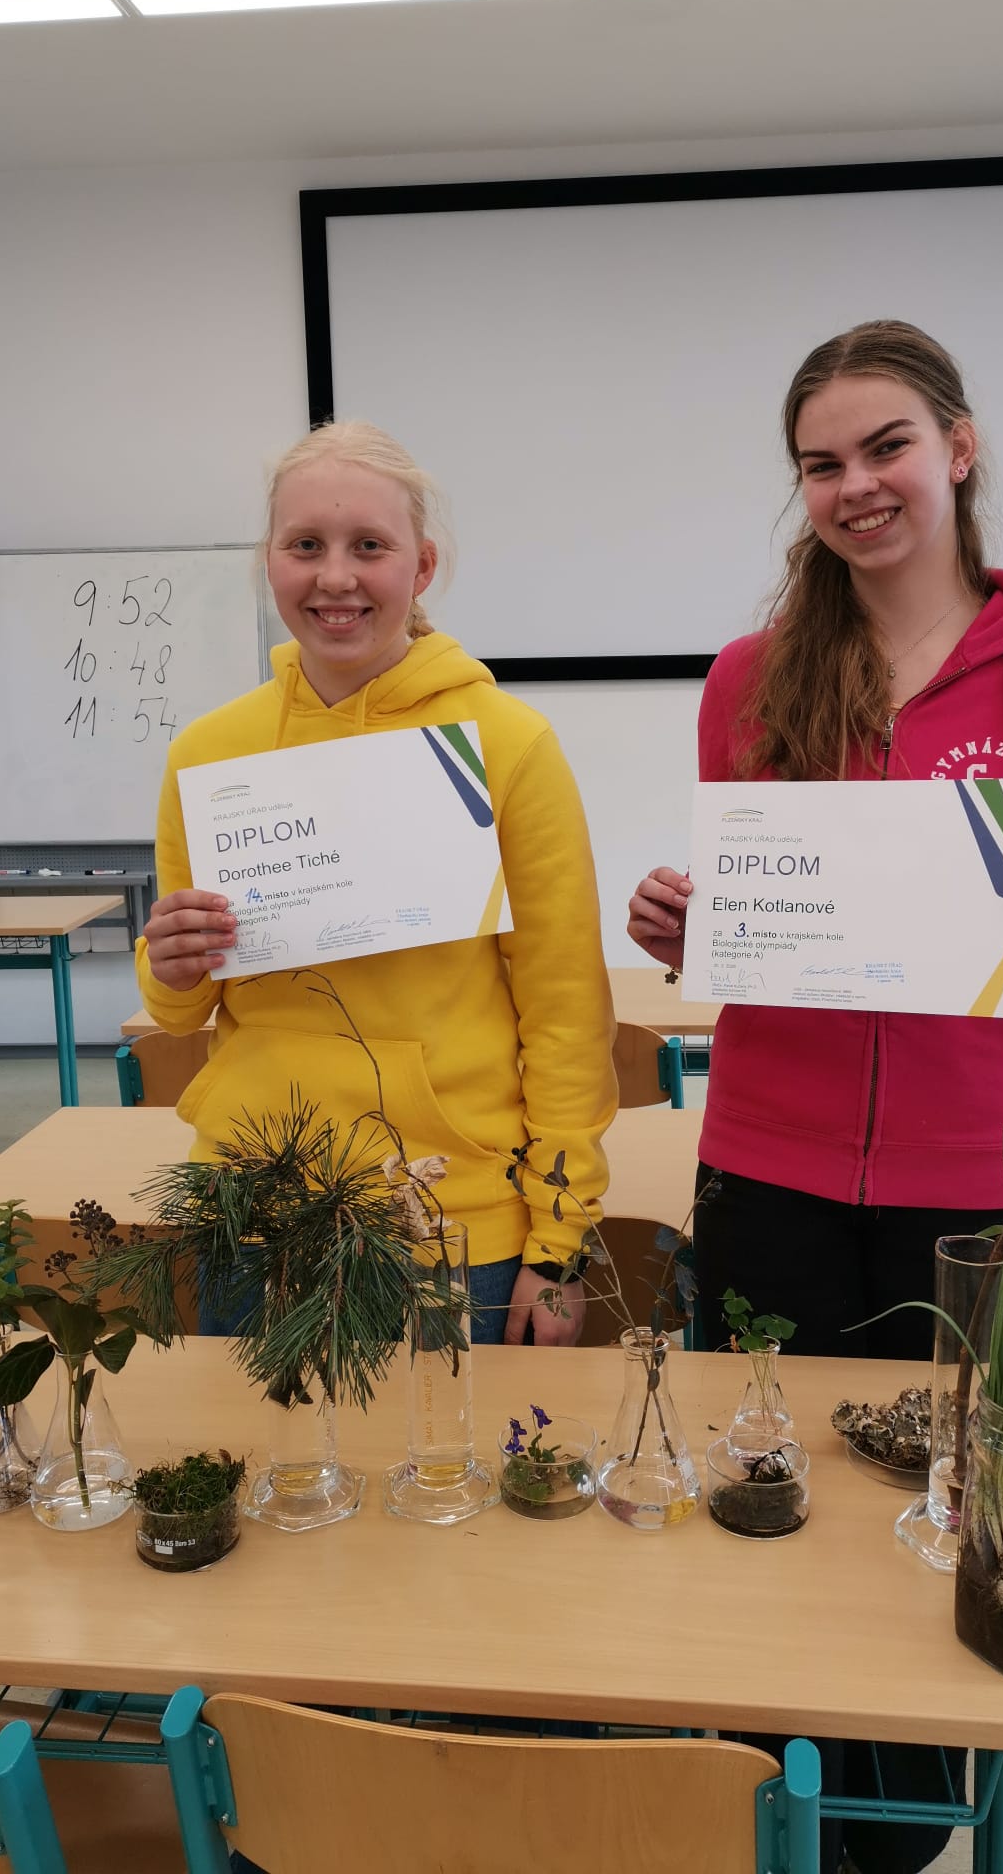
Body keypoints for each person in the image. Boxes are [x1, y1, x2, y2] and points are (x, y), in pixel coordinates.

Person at [627, 321, 1003, 1874]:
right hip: (769, 1161)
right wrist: (682, 927)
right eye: (822, 463)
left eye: (887, 448)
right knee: (770, 1482)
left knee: (958, 1505)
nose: (856, 485)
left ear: (960, 447)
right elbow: (747, 919)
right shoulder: (750, 679)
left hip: (979, 1175)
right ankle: (758, 1785)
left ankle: (905, 1816)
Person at [139, 420, 616, 1346]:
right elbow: (179, 1008)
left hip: (446, 1217)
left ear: (422, 565)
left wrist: (560, 1243)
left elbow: (564, 1013)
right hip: (252, 1208)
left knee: (442, 1450)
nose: (335, 577)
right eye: (304, 545)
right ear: (268, 560)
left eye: (369, 546)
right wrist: (169, 965)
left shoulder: (506, 745)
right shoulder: (211, 752)